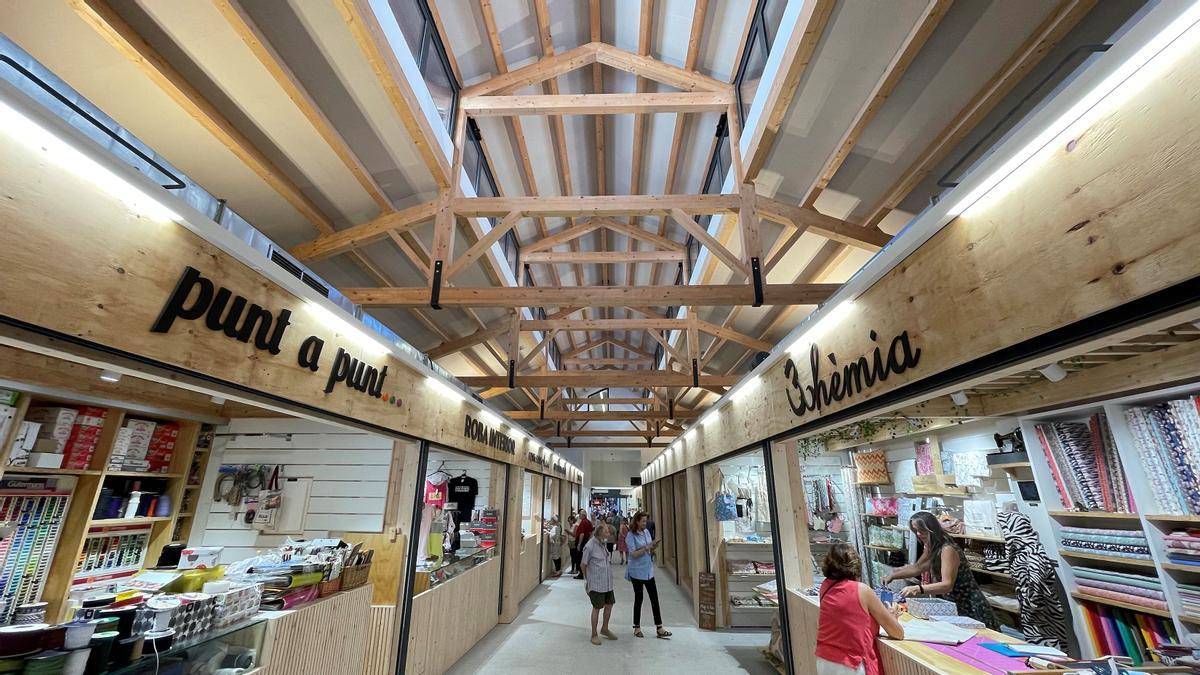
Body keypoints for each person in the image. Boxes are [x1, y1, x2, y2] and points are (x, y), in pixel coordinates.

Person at [884, 511, 998, 629]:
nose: (918, 534)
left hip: (970, 607)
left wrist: (917, 588)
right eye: (915, 531)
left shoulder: (947, 549)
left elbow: (947, 585)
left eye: (921, 530)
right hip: (953, 605)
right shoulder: (931, 546)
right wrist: (893, 575)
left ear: (931, 528)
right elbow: (918, 567)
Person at [815, 543, 904, 675]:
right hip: (850, 665)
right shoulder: (862, 590)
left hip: (824, 660)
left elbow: (850, 619)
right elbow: (898, 633)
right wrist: (892, 616)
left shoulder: (825, 587)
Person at [624, 510, 671, 639]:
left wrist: (654, 546)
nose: (645, 523)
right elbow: (633, 554)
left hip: (648, 570)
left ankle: (659, 627)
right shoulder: (630, 535)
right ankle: (636, 627)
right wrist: (646, 547)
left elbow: (649, 549)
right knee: (639, 599)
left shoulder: (646, 533)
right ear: (637, 521)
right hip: (637, 571)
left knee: (654, 599)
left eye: (646, 521)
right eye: (643, 521)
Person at [581, 521, 618, 646]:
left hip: (607, 583)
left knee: (609, 605)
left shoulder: (603, 543)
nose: (609, 533)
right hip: (596, 583)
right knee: (596, 608)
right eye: (606, 531)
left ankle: (605, 628)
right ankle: (594, 634)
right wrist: (587, 581)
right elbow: (583, 564)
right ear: (600, 532)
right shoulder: (590, 546)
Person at [574, 509, 593, 580]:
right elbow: (591, 533)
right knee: (584, 557)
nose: (579, 516)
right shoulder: (588, 522)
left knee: (580, 558)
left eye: (580, 514)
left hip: (582, 542)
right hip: (586, 541)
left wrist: (579, 544)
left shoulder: (583, 522)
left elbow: (582, 533)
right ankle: (583, 573)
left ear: (583, 515)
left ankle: (581, 573)